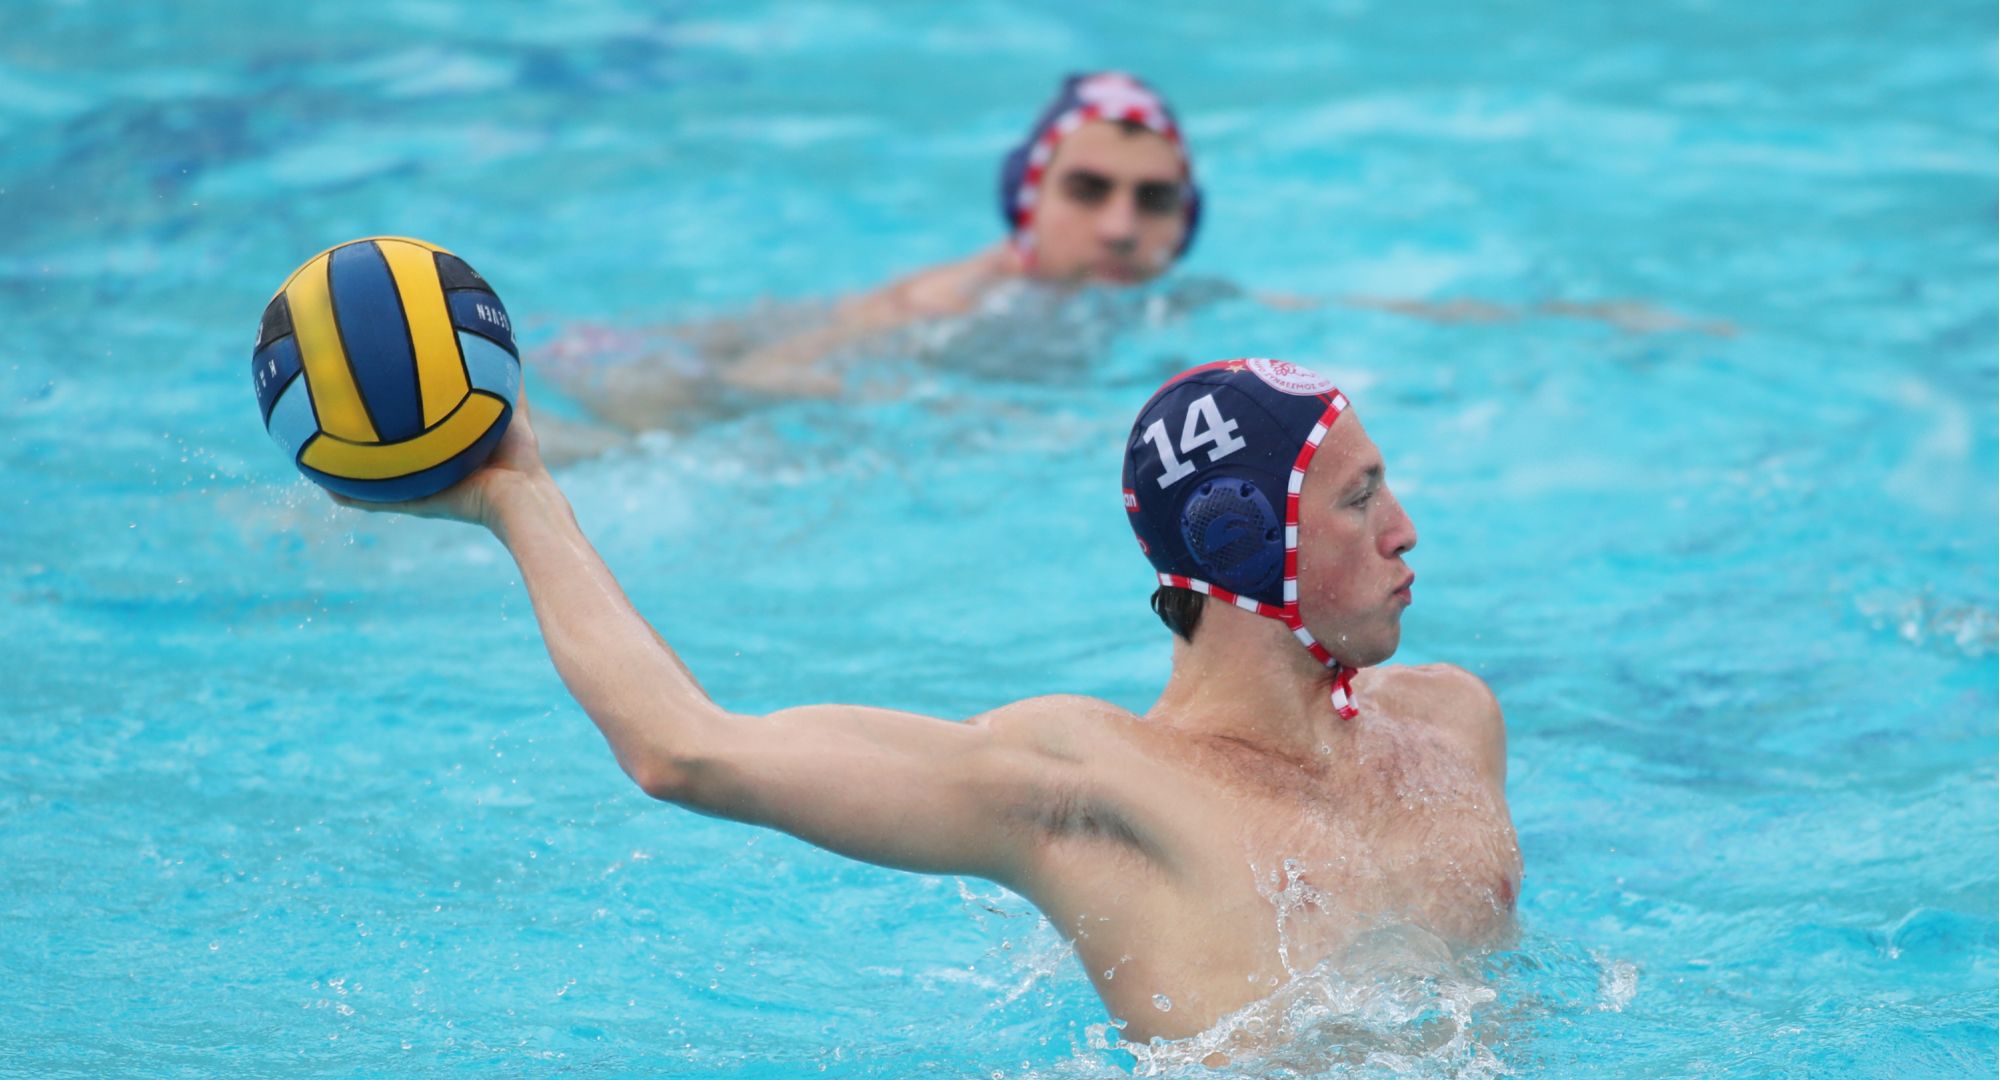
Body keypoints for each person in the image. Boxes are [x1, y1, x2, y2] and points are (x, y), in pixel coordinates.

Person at [332, 356, 1521, 1049]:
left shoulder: (1450, 727)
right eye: (1359, 499)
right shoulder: (1093, 791)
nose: (1405, 530)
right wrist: (519, 498)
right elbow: (686, 751)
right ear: (1245, 545)